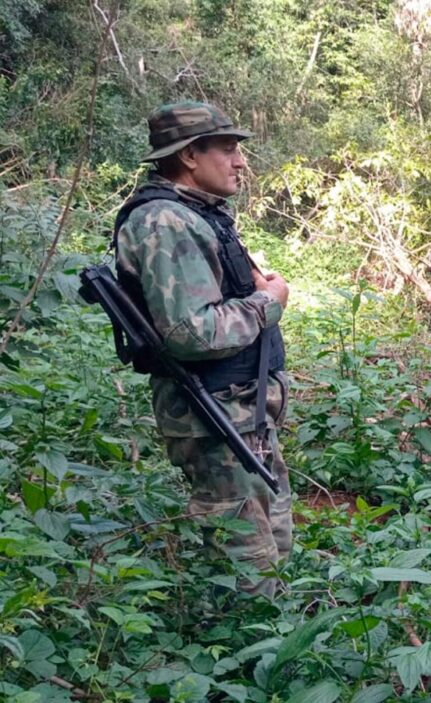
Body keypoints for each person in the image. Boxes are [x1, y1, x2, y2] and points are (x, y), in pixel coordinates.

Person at [113, 102, 293, 596]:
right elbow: (191, 333)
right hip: (213, 412)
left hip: (239, 409)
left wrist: (253, 291)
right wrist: (268, 303)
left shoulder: (198, 216)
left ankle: (277, 638)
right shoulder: (166, 223)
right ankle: (251, 654)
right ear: (191, 155)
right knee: (246, 557)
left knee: (272, 535)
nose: (240, 162)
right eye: (229, 150)